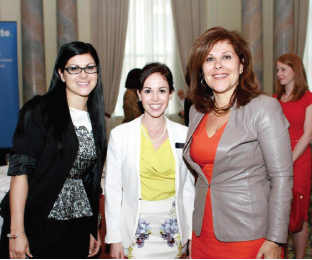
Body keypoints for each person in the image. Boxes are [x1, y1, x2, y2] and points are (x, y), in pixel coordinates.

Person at [183, 26, 293, 259]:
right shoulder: (196, 111)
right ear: (202, 70)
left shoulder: (263, 108)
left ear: (241, 65)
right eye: (209, 59)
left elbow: (281, 178)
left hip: (248, 233)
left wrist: (275, 238)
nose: (218, 65)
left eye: (226, 57)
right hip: (203, 231)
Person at [0, 41, 107, 258]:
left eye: (89, 67)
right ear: (61, 73)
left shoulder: (95, 120)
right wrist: (17, 232)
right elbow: (19, 172)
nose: (83, 74)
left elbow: (90, 181)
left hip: (77, 226)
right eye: (74, 68)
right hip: (38, 222)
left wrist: (92, 225)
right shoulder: (39, 111)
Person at [105, 62, 195, 259]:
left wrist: (190, 234)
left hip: (174, 228)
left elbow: (188, 190)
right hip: (134, 229)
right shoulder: (120, 135)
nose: (155, 98)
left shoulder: (184, 134)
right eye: (148, 91)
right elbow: (112, 190)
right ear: (139, 94)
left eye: (161, 91)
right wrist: (114, 237)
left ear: (171, 94)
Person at [274, 53, 312, 259]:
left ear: (295, 71)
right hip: (277, 159)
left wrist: (288, 159)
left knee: (299, 214)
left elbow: (308, 134)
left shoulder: (309, 98)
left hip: (299, 160)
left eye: (283, 70)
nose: (279, 74)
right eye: (277, 70)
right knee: (280, 212)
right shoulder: (274, 100)